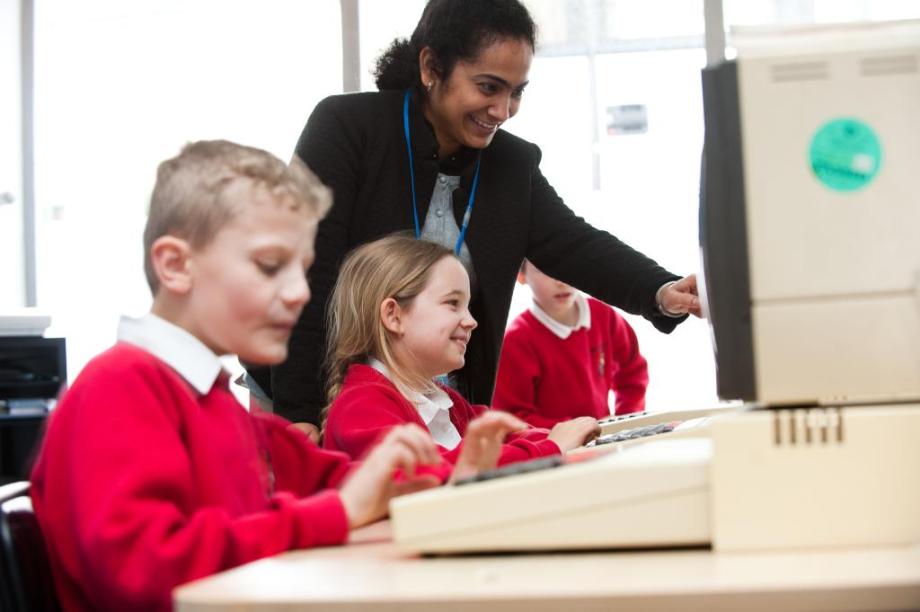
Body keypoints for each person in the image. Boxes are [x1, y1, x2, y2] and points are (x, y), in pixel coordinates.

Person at [29, 141, 524, 612]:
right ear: (176, 265)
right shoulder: (119, 387)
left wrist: (448, 481)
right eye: (270, 267)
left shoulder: (216, 402)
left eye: (301, 272)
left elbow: (331, 478)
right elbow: (145, 569)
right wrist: (338, 513)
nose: (297, 294)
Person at [248, 0, 700, 437]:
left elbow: (573, 243)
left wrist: (660, 290)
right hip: (320, 395)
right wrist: (299, 413)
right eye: (488, 87)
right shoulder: (346, 128)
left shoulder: (510, 163)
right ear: (431, 68)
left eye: (516, 92)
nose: (503, 111)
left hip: (434, 403)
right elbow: (302, 270)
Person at [322, 234, 600, 462]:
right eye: (453, 303)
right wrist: (550, 447)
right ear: (394, 316)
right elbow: (436, 472)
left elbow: (507, 435)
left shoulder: (445, 402)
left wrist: (563, 437)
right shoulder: (362, 407)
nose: (471, 321)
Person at [493, 260, 648, 429]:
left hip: (603, 441)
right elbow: (512, 419)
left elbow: (633, 372)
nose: (561, 280)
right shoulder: (516, 341)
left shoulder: (604, 316)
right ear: (520, 275)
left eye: (567, 262)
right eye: (546, 269)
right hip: (554, 449)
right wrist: (574, 431)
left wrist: (625, 421)